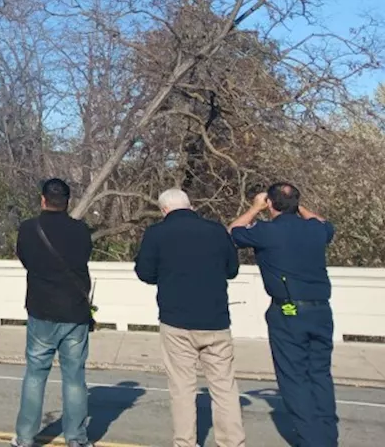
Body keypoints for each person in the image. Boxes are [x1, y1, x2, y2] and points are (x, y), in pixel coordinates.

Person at [135, 188, 246, 447]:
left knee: (182, 389)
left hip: (176, 320)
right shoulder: (216, 231)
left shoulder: (157, 234)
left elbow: (145, 273)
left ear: (164, 210)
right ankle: (232, 442)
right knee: (224, 387)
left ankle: (185, 442)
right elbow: (232, 270)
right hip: (216, 318)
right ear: (191, 205)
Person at [231, 183, 337, 447]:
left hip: (288, 310)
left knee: (294, 378)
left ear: (270, 204)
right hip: (320, 309)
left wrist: (256, 207)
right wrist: (296, 206)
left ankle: (312, 441)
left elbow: (233, 231)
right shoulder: (314, 229)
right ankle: (328, 437)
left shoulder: (266, 231)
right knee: (320, 375)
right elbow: (326, 224)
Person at [12, 178, 94, 447]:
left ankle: (25, 437)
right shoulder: (81, 230)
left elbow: (25, 259)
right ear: (67, 201)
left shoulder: (28, 229)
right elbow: (83, 258)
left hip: (41, 309)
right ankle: (76, 438)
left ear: (43, 199)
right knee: (74, 377)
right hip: (75, 311)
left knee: (36, 374)